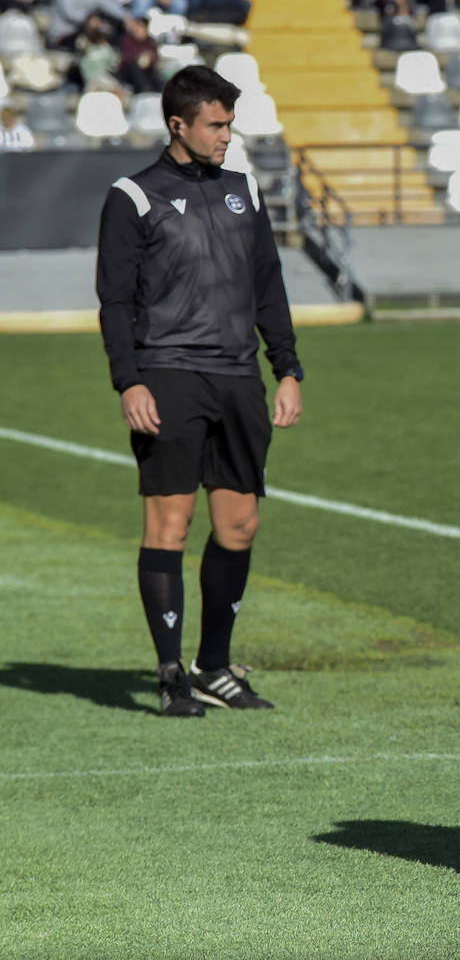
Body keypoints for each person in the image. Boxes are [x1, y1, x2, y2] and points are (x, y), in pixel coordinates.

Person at [95, 64, 303, 718]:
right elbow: (114, 301)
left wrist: (288, 368)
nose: (225, 136)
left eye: (229, 123)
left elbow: (268, 286)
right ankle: (169, 673)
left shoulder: (245, 191)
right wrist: (128, 380)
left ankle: (214, 665)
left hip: (239, 377)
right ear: (177, 124)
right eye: (215, 125)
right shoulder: (131, 196)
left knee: (239, 525)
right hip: (168, 375)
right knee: (172, 522)